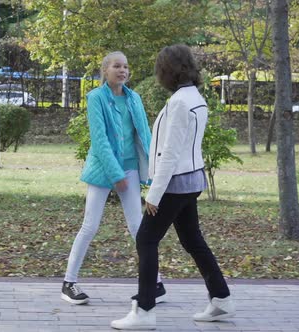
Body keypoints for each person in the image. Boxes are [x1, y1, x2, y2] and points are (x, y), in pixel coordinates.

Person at [110, 44, 236, 330]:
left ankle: (144, 311)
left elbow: (170, 153)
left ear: (167, 71)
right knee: (192, 241)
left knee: (146, 239)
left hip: (175, 183)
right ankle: (222, 299)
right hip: (191, 180)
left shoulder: (180, 102)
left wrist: (153, 194)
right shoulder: (195, 97)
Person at [61, 51, 165, 305]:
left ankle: (156, 284)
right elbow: (100, 141)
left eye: (126, 67)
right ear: (105, 70)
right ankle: (69, 283)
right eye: (117, 66)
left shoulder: (134, 98)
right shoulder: (96, 98)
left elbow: (145, 135)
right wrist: (115, 174)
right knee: (90, 226)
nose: (123, 71)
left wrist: (153, 170)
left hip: (130, 168)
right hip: (104, 170)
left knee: (138, 227)